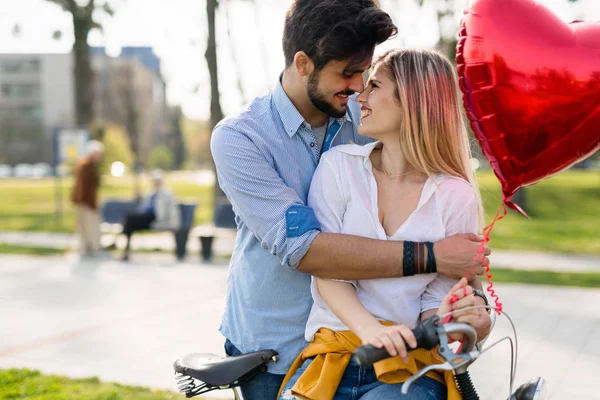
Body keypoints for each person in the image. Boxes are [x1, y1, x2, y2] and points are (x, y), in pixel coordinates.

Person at [210, 1, 491, 398]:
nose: (359, 86)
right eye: (348, 73)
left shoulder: (368, 117)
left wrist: (472, 305)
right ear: (303, 63)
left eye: (366, 72)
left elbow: (454, 259)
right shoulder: (241, 138)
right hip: (274, 345)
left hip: (381, 352)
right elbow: (306, 250)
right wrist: (431, 255)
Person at [277, 48, 492, 400]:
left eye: (374, 85)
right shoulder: (339, 167)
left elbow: (435, 304)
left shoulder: (455, 195)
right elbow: (328, 272)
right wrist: (371, 331)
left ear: (413, 100)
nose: (360, 95)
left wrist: (463, 315)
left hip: (410, 367)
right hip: (332, 354)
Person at [120, 169, 181, 261]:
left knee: (130, 219)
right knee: (130, 219)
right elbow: (143, 207)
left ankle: (121, 243)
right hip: (145, 217)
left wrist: (174, 223)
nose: (155, 183)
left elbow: (173, 210)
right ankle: (126, 249)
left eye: (157, 181)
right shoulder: (150, 193)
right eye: (154, 181)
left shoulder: (167, 194)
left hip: (156, 218)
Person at [71, 140, 104, 258]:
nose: (100, 157)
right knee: (88, 226)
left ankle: (90, 247)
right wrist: (82, 200)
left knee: (89, 226)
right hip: (86, 202)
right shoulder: (86, 166)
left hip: (89, 202)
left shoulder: (88, 165)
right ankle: (90, 248)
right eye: (98, 154)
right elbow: (81, 186)